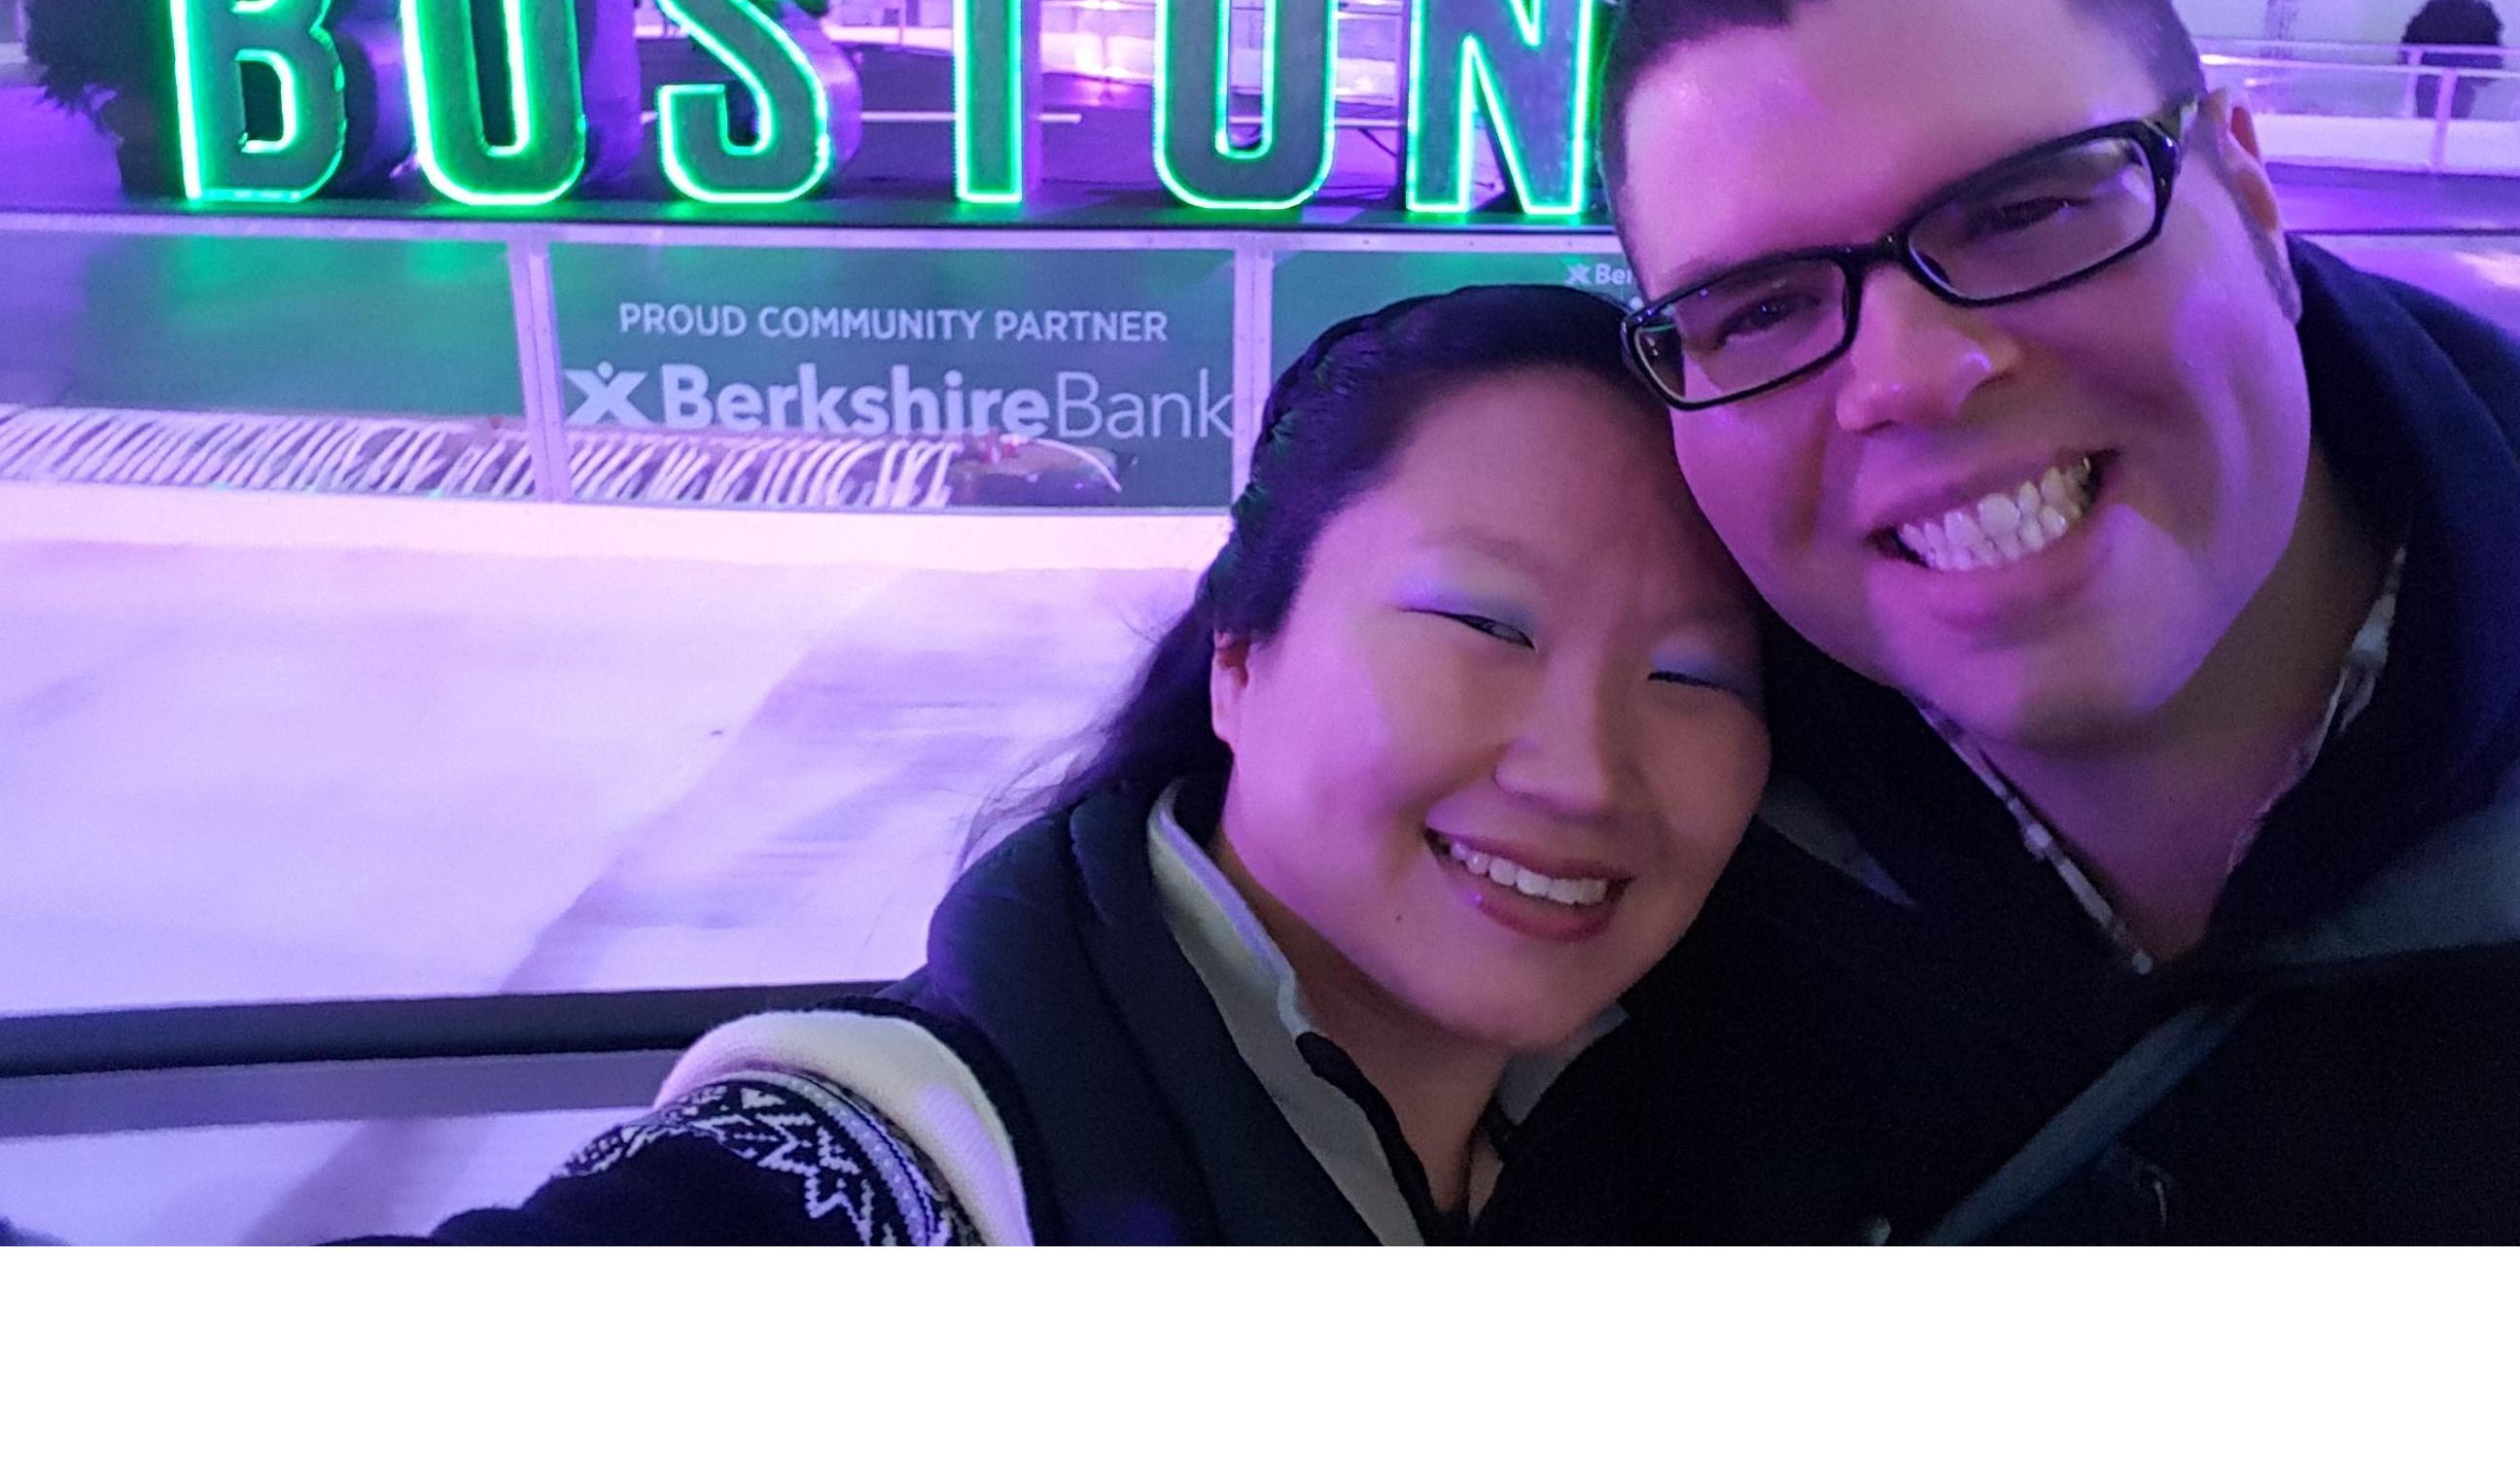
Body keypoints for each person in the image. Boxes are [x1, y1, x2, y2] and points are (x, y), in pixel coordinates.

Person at [1486, 0, 2520, 1245]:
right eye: (1766, 308)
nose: (1910, 374)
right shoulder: (1632, 854)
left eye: (2024, 211)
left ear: (2251, 195)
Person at [399, 284, 1768, 1244]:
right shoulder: (902, 1180)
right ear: (1240, 652)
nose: (1587, 774)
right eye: (1484, 624)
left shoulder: (1723, 1140)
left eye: (1695, 675)